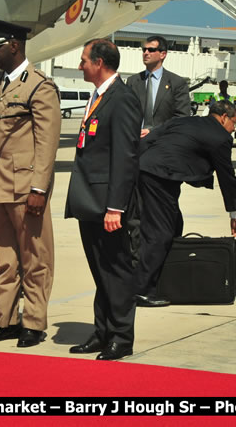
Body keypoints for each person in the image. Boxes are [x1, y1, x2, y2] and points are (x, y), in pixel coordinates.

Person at [0, 19, 61, 348]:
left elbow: (47, 143)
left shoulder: (39, 86)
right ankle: (6, 320)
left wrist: (39, 189)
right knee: (5, 259)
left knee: (35, 257)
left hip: (25, 187)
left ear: (14, 45)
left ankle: (34, 323)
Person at [65, 38, 142, 361]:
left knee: (116, 271)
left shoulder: (122, 98)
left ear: (100, 63)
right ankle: (102, 331)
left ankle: (122, 337)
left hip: (108, 203)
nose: (80, 65)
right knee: (100, 271)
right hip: (89, 198)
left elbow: (125, 156)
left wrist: (116, 207)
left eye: (84, 60)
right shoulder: (99, 96)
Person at [134, 100, 236, 307]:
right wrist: (234, 213)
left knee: (174, 225)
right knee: (160, 232)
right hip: (161, 177)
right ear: (224, 117)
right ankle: (141, 290)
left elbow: (147, 140)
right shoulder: (220, 137)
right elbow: (227, 177)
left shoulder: (183, 121)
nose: (234, 129)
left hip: (148, 171)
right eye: (235, 123)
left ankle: (161, 278)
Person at [125, 35, 190, 138]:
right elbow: (125, 112)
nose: (146, 53)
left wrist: (153, 131)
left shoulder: (177, 83)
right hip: (134, 140)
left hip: (162, 141)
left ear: (162, 54)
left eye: (151, 50)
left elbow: (182, 117)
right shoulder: (133, 81)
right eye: (144, 49)